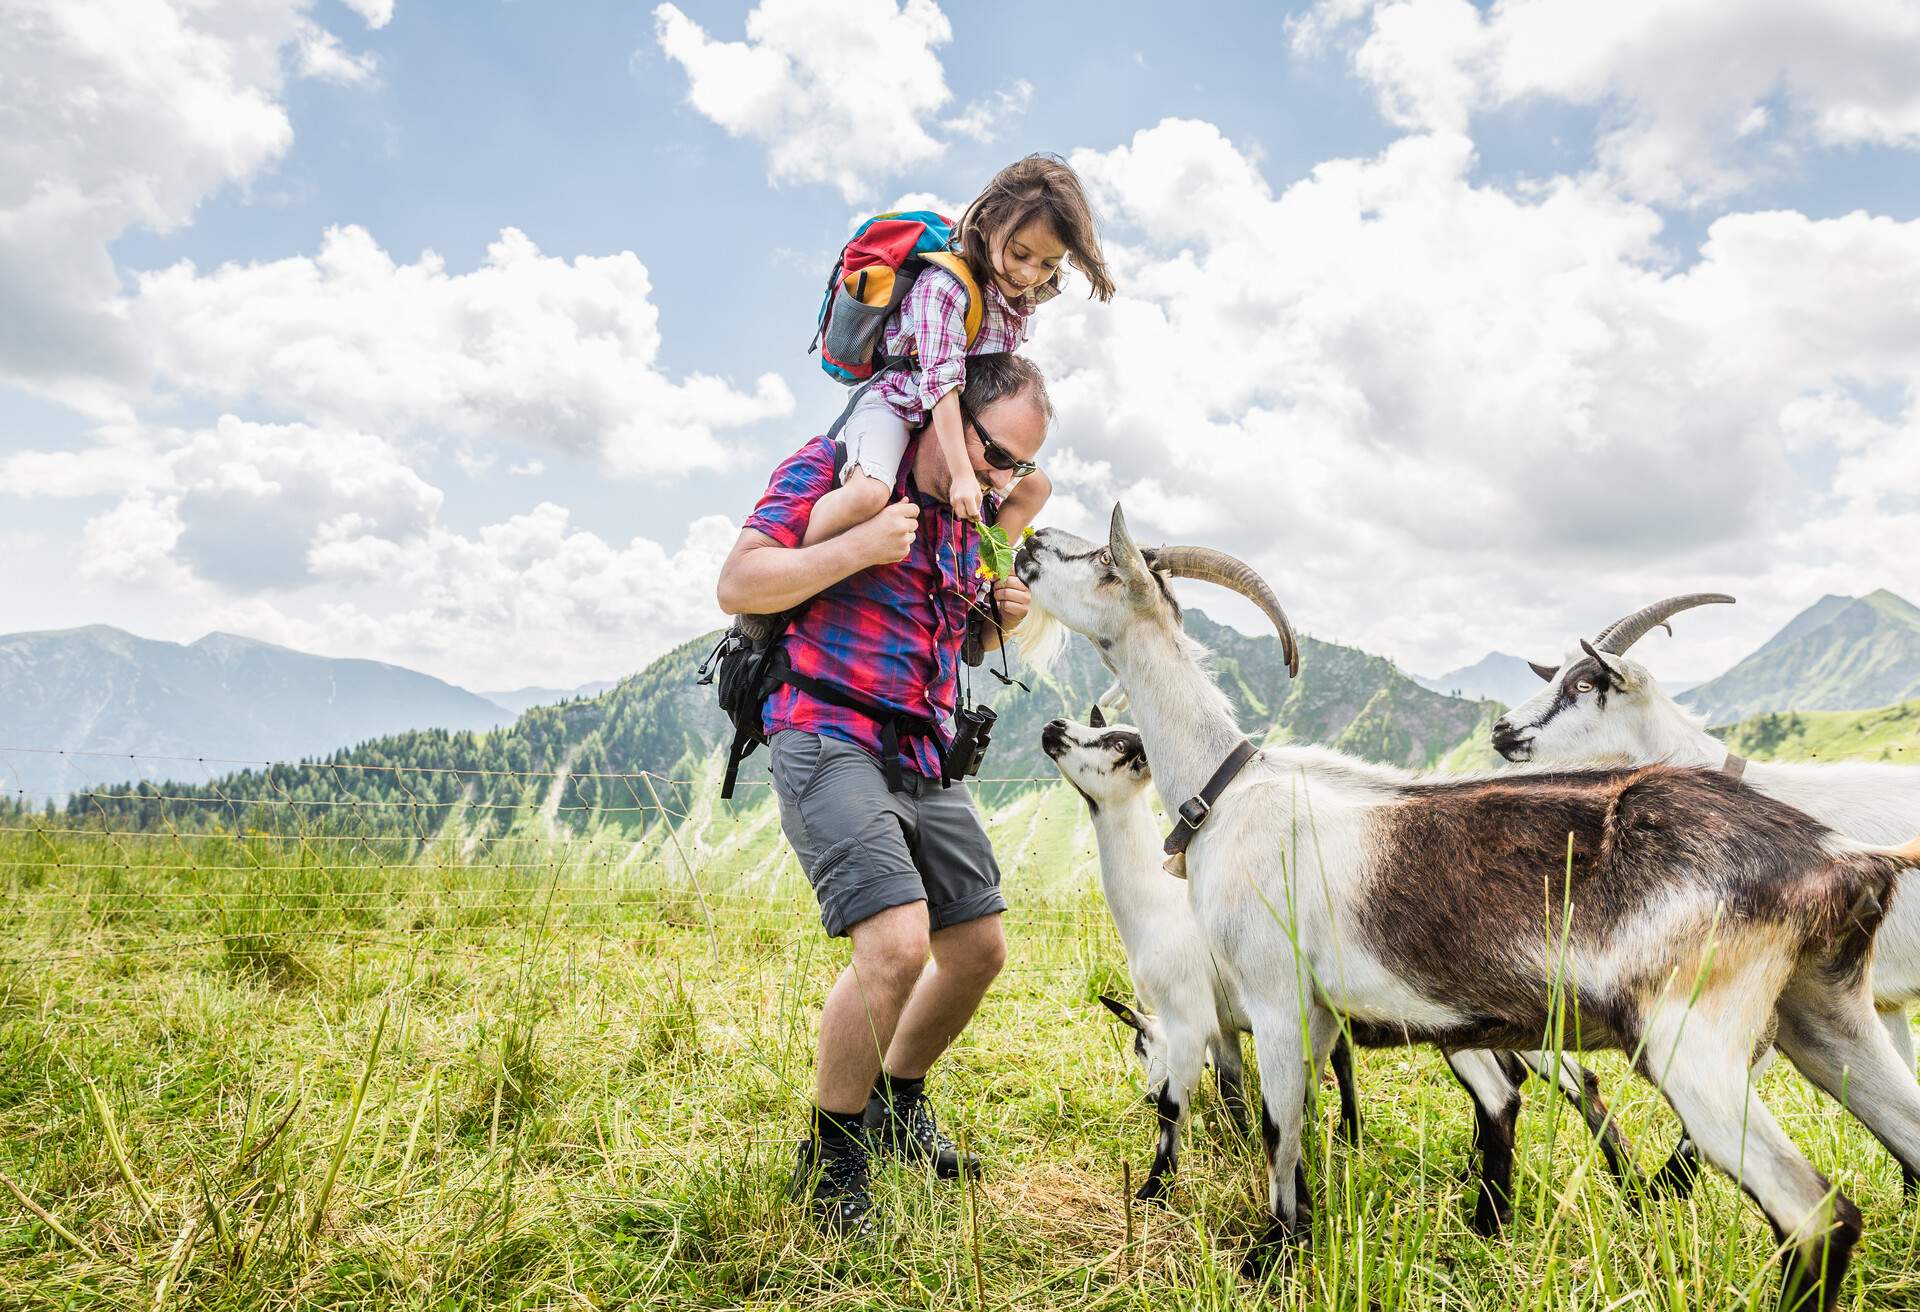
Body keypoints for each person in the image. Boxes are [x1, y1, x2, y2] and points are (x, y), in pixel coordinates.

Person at [713, 353, 1051, 1237]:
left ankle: (896, 1106)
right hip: (823, 726)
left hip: (922, 750)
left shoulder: (968, 520)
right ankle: (831, 1158)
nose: (1000, 475)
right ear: (949, 417)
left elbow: (961, 640)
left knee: (976, 948)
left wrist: (995, 617)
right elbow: (738, 583)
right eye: (994, 452)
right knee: (897, 945)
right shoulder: (840, 469)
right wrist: (858, 543)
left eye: (1016, 465)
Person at [800, 154, 1112, 549]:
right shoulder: (943, 287)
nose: (1030, 273)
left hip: (960, 416)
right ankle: (795, 569)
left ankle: (985, 578)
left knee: (1035, 489)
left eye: (1048, 263)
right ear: (988, 224)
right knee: (868, 494)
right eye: (1020, 254)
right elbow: (941, 383)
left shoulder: (1016, 301)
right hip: (901, 401)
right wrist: (963, 474)